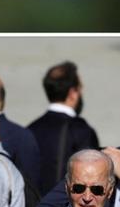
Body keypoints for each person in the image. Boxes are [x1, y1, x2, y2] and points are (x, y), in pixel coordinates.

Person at [28, 61, 100, 195]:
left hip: (32, 206)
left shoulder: (30, 130)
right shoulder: (81, 131)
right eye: (80, 89)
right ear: (73, 93)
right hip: (65, 206)